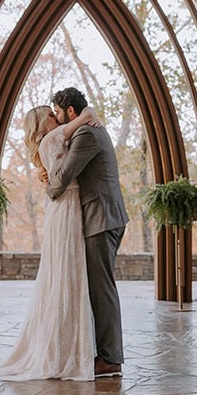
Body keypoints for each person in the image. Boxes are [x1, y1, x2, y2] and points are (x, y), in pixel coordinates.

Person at [0, 103, 98, 381]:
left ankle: (62, 345)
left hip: (61, 207)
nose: (58, 117)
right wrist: (91, 115)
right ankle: (66, 351)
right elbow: (87, 114)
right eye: (53, 115)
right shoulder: (53, 138)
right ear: (43, 124)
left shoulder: (46, 143)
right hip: (66, 205)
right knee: (68, 270)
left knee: (62, 272)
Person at [47, 87, 129, 378]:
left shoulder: (86, 135)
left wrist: (47, 183)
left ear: (71, 111)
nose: (57, 119)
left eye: (58, 112)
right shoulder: (89, 127)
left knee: (101, 288)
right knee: (99, 286)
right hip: (104, 215)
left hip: (101, 217)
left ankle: (110, 359)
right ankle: (102, 352)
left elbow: (61, 180)